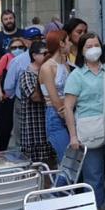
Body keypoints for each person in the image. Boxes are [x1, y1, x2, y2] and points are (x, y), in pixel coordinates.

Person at [64, 33, 105, 210]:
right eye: (88, 46)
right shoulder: (76, 76)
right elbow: (68, 108)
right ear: (82, 51)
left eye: (96, 45)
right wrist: (73, 136)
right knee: (94, 176)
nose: (93, 49)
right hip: (88, 133)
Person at [18, 41, 55, 165]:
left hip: (49, 124)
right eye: (44, 53)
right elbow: (35, 97)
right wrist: (53, 94)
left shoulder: (51, 70)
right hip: (34, 128)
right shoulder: (26, 75)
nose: (47, 56)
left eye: (49, 53)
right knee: (35, 166)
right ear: (34, 55)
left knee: (51, 163)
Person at [39, 30, 73, 163]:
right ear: (61, 43)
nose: (70, 44)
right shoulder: (47, 67)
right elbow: (55, 100)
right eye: (68, 41)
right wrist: (69, 118)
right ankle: (62, 184)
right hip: (56, 114)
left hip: (68, 111)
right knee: (67, 161)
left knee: (72, 161)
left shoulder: (64, 64)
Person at [0, 34, 27, 151]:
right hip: (7, 98)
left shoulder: (27, 58)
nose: (17, 49)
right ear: (9, 49)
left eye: (20, 47)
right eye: (14, 47)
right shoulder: (6, 58)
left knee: (20, 127)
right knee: (4, 126)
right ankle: (0, 150)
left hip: (21, 98)